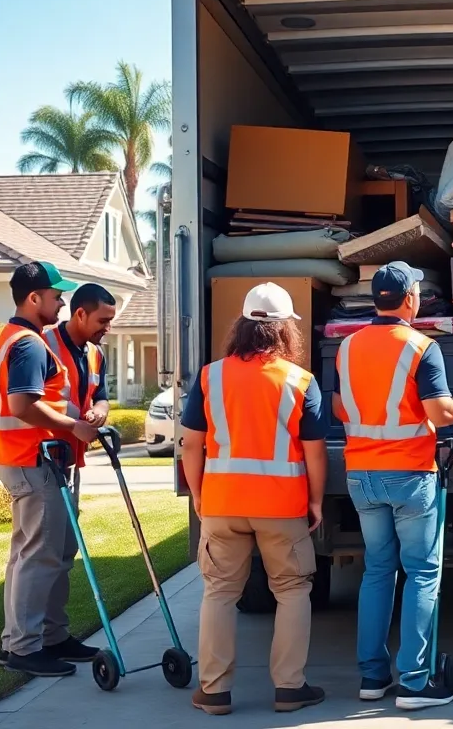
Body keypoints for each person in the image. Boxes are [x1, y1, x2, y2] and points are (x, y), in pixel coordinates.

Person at [334, 261, 453, 711]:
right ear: (409, 300)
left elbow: (338, 405)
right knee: (422, 574)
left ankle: (372, 677)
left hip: (361, 475)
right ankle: (415, 682)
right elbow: (442, 413)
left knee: (377, 572)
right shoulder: (421, 347)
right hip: (410, 474)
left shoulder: (346, 347)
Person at [179, 282, 329, 716]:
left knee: (220, 593)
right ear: (285, 331)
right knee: (292, 590)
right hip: (282, 506)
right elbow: (313, 451)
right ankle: (289, 688)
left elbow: (192, 444)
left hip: (224, 502)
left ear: (242, 326)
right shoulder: (300, 381)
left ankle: (214, 691)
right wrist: (315, 501)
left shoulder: (211, 376)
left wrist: (200, 495)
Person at [0, 261, 100, 678]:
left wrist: (82, 416)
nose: (62, 301)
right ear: (34, 298)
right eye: (57, 296)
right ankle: (22, 648)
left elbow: (48, 399)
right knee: (37, 557)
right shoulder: (28, 343)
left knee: (47, 555)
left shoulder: (23, 338)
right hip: (32, 461)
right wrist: (73, 425)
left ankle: (52, 637)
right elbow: (23, 405)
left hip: (33, 460)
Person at [42, 283, 115, 479]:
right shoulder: (43, 346)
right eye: (103, 321)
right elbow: (29, 404)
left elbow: (101, 396)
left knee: (69, 511)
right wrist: (74, 425)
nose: (108, 328)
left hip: (69, 457)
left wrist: (100, 411)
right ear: (81, 314)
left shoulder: (96, 353)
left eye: (110, 321)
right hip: (42, 456)